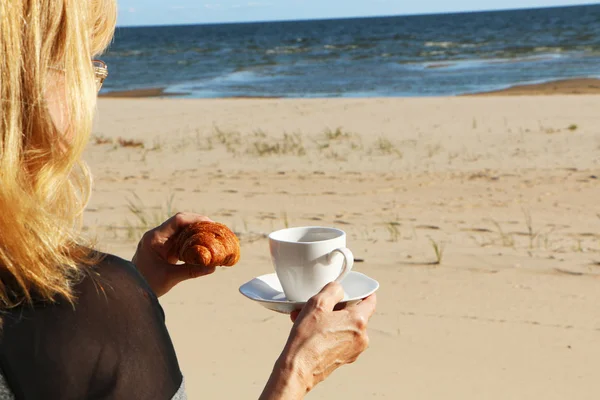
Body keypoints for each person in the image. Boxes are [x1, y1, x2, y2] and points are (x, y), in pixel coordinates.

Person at [0, 1, 377, 399]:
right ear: (22, 87)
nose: (92, 95)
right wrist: (299, 371)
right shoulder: (91, 307)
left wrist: (132, 289)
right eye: (83, 64)